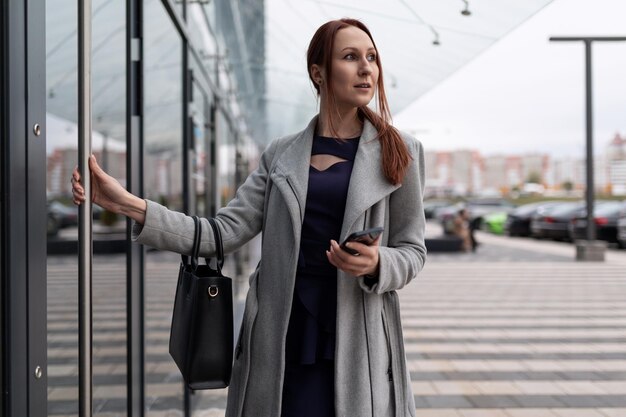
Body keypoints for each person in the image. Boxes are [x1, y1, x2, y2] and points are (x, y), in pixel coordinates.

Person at [72, 18, 426, 417]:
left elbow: (413, 250)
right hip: (280, 342)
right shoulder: (281, 154)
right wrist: (127, 204)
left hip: (360, 346)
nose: (367, 69)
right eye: (350, 57)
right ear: (319, 72)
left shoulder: (401, 151)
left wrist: (379, 262)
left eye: (372, 57)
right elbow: (220, 233)